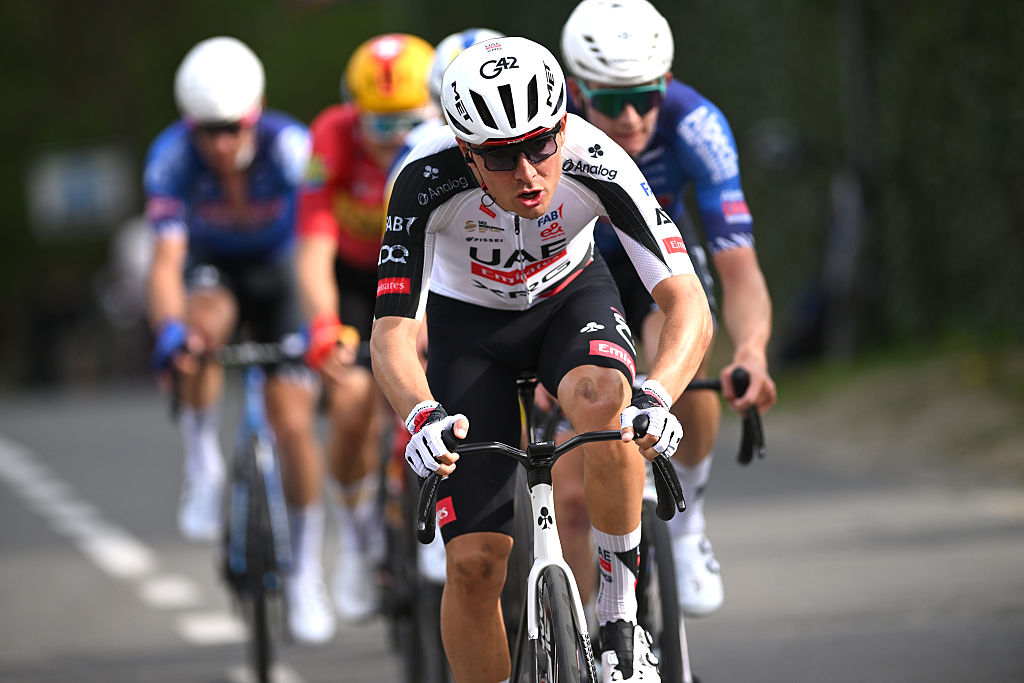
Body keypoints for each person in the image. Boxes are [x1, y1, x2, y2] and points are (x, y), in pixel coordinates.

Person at [371, 36, 713, 683]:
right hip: (468, 334)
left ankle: (618, 619)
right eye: (500, 157)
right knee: (473, 564)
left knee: (605, 399)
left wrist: (660, 393)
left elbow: (685, 298)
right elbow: (390, 332)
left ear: (562, 127)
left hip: (569, 303)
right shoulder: (423, 178)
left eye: (539, 145)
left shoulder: (596, 157)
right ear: (467, 152)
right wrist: (419, 415)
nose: (527, 173)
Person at [560, 0, 778, 618]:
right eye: (609, 101)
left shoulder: (697, 126)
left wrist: (753, 352)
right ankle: (588, 632)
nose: (629, 116)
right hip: (571, 273)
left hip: (657, 266)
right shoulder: (552, 128)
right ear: (577, 91)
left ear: (669, 83)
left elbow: (739, 270)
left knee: (687, 353)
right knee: (574, 499)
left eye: (647, 96)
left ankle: (689, 525)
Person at [144, 37, 335, 643]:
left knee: (292, 420)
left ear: (255, 115)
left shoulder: (291, 148)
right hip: (215, 276)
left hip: (280, 276)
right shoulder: (171, 157)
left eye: (232, 129)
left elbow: (313, 246)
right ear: (188, 125)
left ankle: (305, 570)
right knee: (200, 330)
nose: (220, 145)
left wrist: (320, 325)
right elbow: (165, 262)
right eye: (207, 131)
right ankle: (200, 461)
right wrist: (170, 333)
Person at [295, 32, 436, 622]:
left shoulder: (442, 142)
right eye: (379, 127)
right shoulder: (327, 138)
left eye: (408, 122)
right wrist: (324, 325)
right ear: (353, 115)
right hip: (356, 280)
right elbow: (312, 248)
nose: (395, 139)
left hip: (426, 272)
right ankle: (357, 539)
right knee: (352, 398)